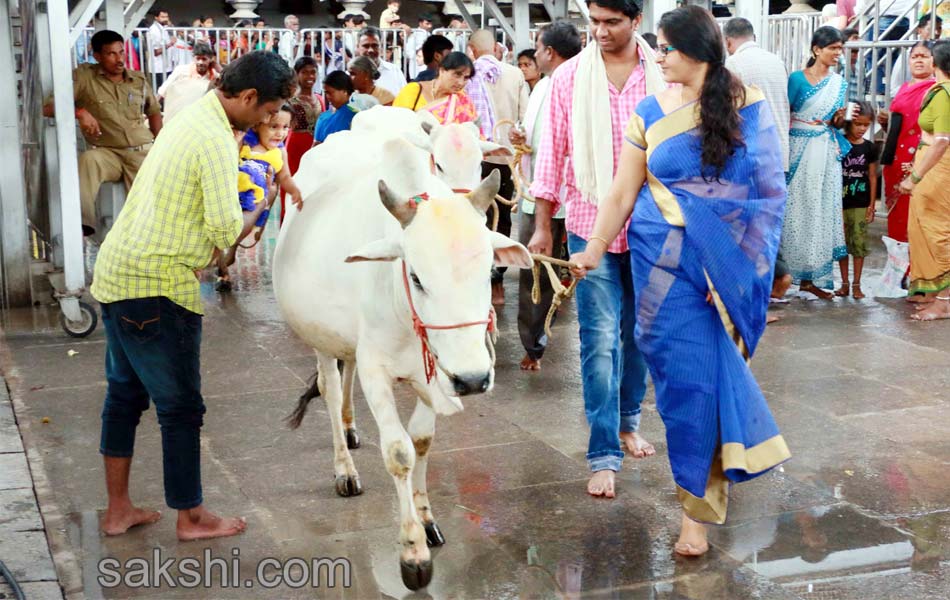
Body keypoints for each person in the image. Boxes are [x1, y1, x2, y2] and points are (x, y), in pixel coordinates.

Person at [570, 5, 790, 557]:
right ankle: (704, 487)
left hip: (720, 269)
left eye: (665, 47)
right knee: (678, 386)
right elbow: (623, 189)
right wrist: (593, 249)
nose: (658, 56)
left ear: (695, 49)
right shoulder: (649, 110)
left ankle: (696, 510)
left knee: (703, 382)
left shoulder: (746, 105)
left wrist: (732, 269)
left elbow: (764, 194)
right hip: (658, 263)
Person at [90, 51, 297, 541]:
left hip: (119, 272)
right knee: (180, 406)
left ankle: (118, 510)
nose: (271, 120)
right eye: (269, 110)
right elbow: (226, 227)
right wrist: (262, 203)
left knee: (124, 395)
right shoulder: (214, 140)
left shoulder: (191, 116)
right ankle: (191, 516)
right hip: (157, 286)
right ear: (247, 97)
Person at [528, 0, 665, 498]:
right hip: (589, 223)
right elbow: (552, 153)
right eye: (595, 23)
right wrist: (544, 225)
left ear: (636, 22)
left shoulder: (664, 75)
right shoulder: (570, 79)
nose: (601, 32)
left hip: (652, 224)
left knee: (640, 333)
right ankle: (603, 452)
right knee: (600, 337)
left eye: (612, 23)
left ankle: (629, 420)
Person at [510, 20, 583, 371]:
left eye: (537, 49)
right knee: (533, 271)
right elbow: (537, 137)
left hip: (574, 198)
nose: (534, 55)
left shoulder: (581, 86)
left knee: (583, 273)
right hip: (536, 192)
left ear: (549, 52)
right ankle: (534, 345)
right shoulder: (541, 88)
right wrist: (520, 138)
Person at [43, 30, 162, 237]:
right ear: (97, 56)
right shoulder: (84, 77)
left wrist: (161, 145)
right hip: (108, 153)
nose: (119, 59)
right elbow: (48, 108)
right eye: (111, 54)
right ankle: (82, 223)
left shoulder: (138, 80)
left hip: (141, 153)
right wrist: (80, 112)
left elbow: (153, 113)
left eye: (121, 53)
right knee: (89, 161)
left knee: (150, 213)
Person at [781, 27, 849, 300]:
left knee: (820, 209)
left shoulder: (838, 83)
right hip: (798, 147)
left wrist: (840, 118)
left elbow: (838, 123)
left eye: (840, 48)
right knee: (795, 208)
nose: (837, 53)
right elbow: (785, 113)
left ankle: (809, 279)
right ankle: (784, 277)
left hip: (824, 150)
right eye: (832, 48)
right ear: (816, 49)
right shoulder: (797, 79)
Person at [467, 28, 530, 305]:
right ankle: (497, 282)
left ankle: (472, 277)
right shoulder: (515, 75)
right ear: (496, 48)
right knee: (503, 217)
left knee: (471, 216)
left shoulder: (464, 74)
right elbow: (524, 119)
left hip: (471, 158)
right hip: (504, 157)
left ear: (471, 49)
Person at [217, 106, 302, 289]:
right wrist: (235, 142)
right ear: (257, 126)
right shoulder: (246, 144)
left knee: (241, 231)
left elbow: (284, 176)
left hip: (256, 204)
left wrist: (294, 190)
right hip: (233, 196)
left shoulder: (280, 152)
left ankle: (230, 252)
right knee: (223, 232)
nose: (280, 133)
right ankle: (222, 267)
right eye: (273, 127)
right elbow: (228, 161)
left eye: (285, 127)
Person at [901, 40, 950, 319]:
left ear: (936, 63)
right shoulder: (939, 90)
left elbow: (942, 141)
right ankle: (934, 292)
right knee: (924, 228)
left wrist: (916, 176)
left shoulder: (944, 93)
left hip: (938, 168)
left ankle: (943, 301)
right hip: (930, 164)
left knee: (938, 231)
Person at [880, 41, 936, 244]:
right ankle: (900, 268)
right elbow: (900, 127)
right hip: (896, 160)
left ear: (934, 60)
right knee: (897, 218)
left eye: (924, 56)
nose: (919, 60)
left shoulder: (936, 90)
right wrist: (886, 123)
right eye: (915, 56)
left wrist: (918, 161)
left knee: (917, 217)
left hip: (920, 161)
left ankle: (918, 269)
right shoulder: (904, 88)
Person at [723, 17, 791, 172]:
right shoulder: (777, 61)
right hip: (779, 147)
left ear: (727, 42)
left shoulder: (733, 63)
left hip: (752, 150)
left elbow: (729, 109)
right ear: (754, 38)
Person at [836, 101, 878, 300]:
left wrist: (871, 205)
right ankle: (844, 284)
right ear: (848, 123)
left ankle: (857, 285)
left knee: (859, 245)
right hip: (840, 203)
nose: (862, 129)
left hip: (860, 204)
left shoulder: (869, 148)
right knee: (842, 244)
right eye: (858, 124)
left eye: (866, 125)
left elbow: (872, 176)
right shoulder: (839, 143)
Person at [282, 57, 323, 224]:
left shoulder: (320, 99)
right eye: (304, 72)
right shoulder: (290, 100)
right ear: (297, 74)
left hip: (315, 147)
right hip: (295, 146)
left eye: (313, 72)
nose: (309, 76)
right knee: (292, 182)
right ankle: (287, 223)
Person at [393, 51, 479, 125]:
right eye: (457, 74)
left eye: (466, 78)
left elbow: (472, 134)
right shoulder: (413, 90)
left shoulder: (462, 101)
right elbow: (396, 123)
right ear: (441, 70)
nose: (461, 82)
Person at [157, 41, 219, 123]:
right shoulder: (181, 70)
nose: (200, 62)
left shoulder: (214, 75)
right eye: (198, 59)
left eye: (204, 59)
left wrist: (218, 67)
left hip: (200, 118)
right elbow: (162, 91)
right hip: (178, 115)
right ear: (194, 58)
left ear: (210, 60)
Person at [314, 72, 378, 143]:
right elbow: (316, 145)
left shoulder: (358, 111)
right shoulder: (323, 117)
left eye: (330, 93)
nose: (327, 97)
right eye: (326, 93)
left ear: (344, 91)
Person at [889, 15, 942, 95]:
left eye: (939, 28)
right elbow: (895, 86)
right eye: (930, 29)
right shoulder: (909, 54)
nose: (936, 33)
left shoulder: (941, 52)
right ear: (919, 30)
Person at [357, 27, 407, 97]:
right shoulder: (350, 76)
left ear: (380, 47)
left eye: (375, 46)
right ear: (357, 47)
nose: (370, 50)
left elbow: (405, 100)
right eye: (366, 46)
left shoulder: (395, 71)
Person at [147, 9, 175, 87]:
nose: (165, 19)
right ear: (156, 17)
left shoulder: (165, 28)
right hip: (158, 68)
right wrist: (170, 44)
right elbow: (156, 52)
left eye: (167, 17)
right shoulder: (154, 30)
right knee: (160, 93)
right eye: (162, 17)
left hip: (167, 67)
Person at [405, 14, 434, 80]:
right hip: (416, 68)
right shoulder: (414, 35)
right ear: (420, 23)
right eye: (427, 24)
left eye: (430, 24)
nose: (430, 26)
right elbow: (408, 52)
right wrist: (419, 51)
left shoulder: (429, 34)